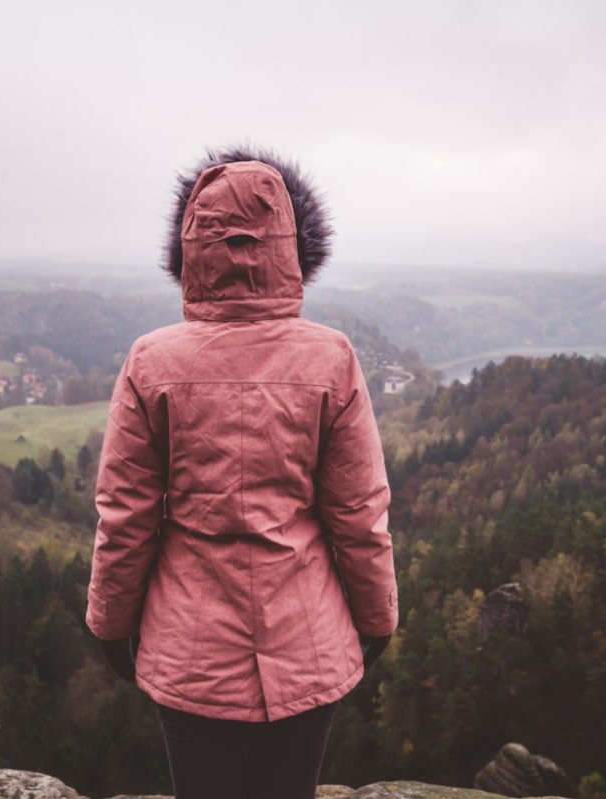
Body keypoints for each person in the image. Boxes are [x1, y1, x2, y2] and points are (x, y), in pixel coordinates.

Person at [86, 146, 398, 799]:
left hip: (191, 655)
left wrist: (112, 626)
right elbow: (359, 515)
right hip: (308, 641)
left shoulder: (151, 362)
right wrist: (376, 621)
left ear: (191, 249)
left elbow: (126, 517)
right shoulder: (331, 359)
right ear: (291, 248)